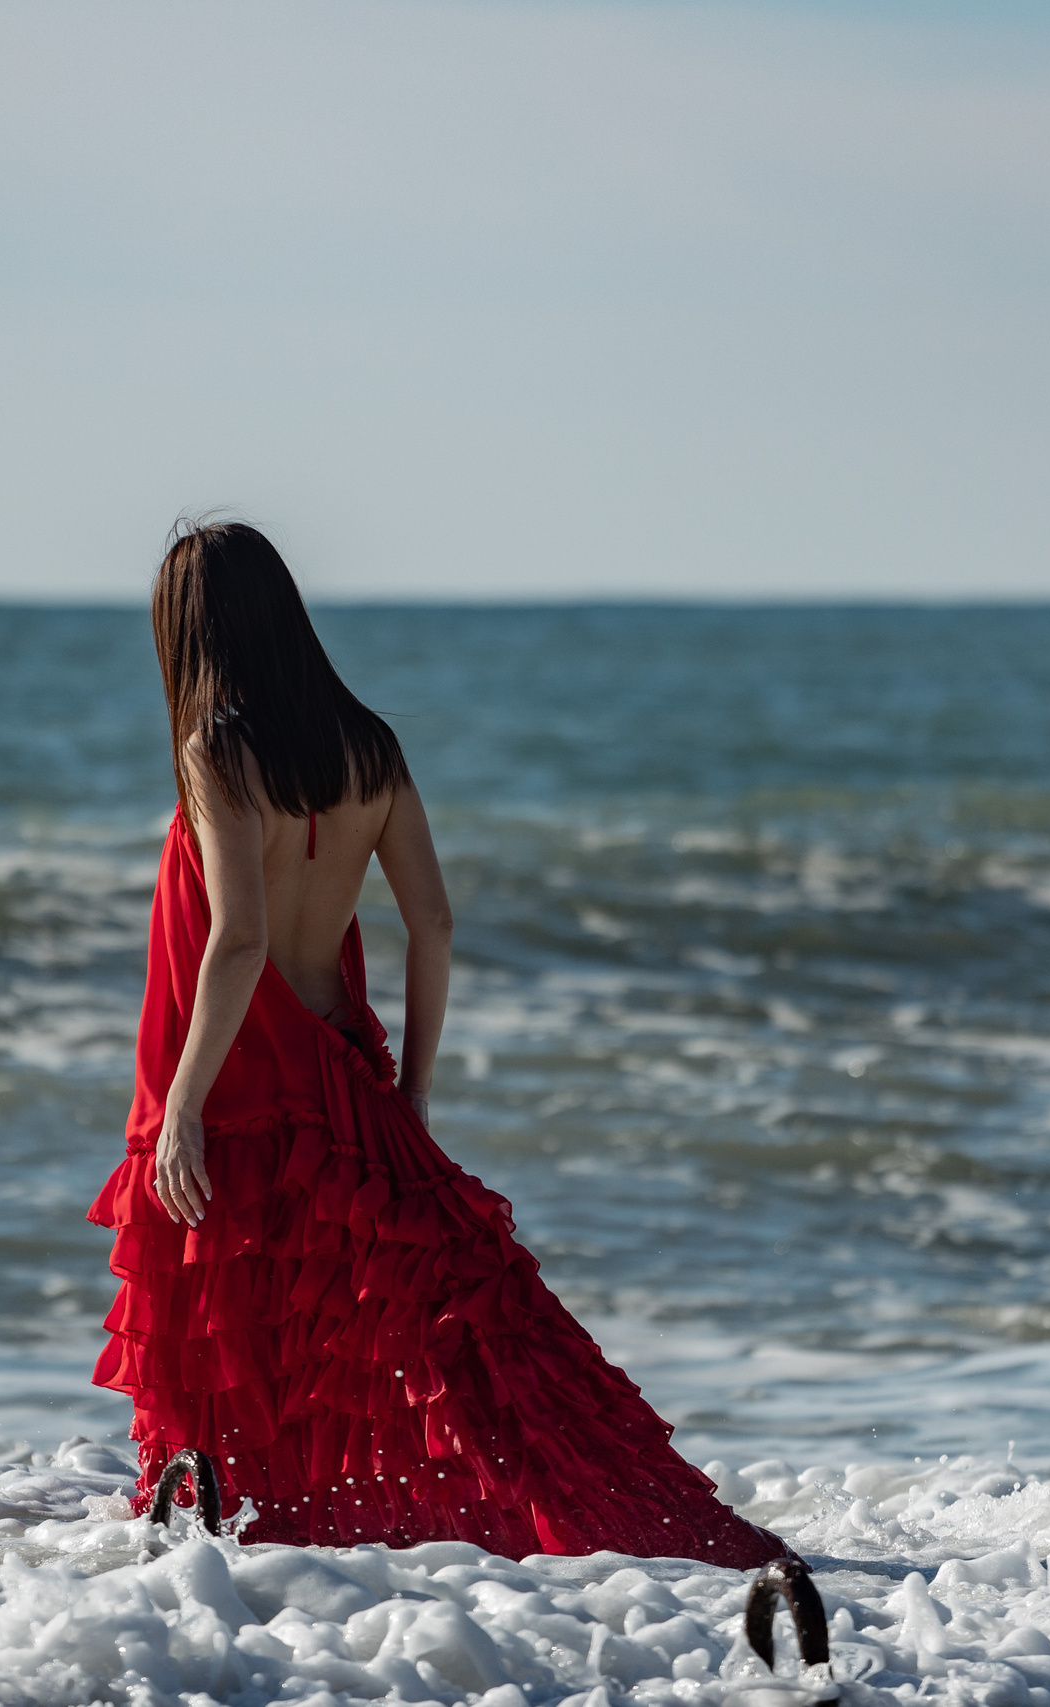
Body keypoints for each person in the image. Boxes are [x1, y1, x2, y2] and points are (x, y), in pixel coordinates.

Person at [89, 520, 790, 1565]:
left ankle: (237, 1553)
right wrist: (411, 1091)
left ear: (189, 633)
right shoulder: (368, 744)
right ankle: (611, 1531)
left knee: (243, 1341)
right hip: (343, 1072)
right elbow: (434, 924)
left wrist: (181, 1109)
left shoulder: (216, 750)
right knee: (447, 1325)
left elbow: (235, 942)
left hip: (243, 1086)